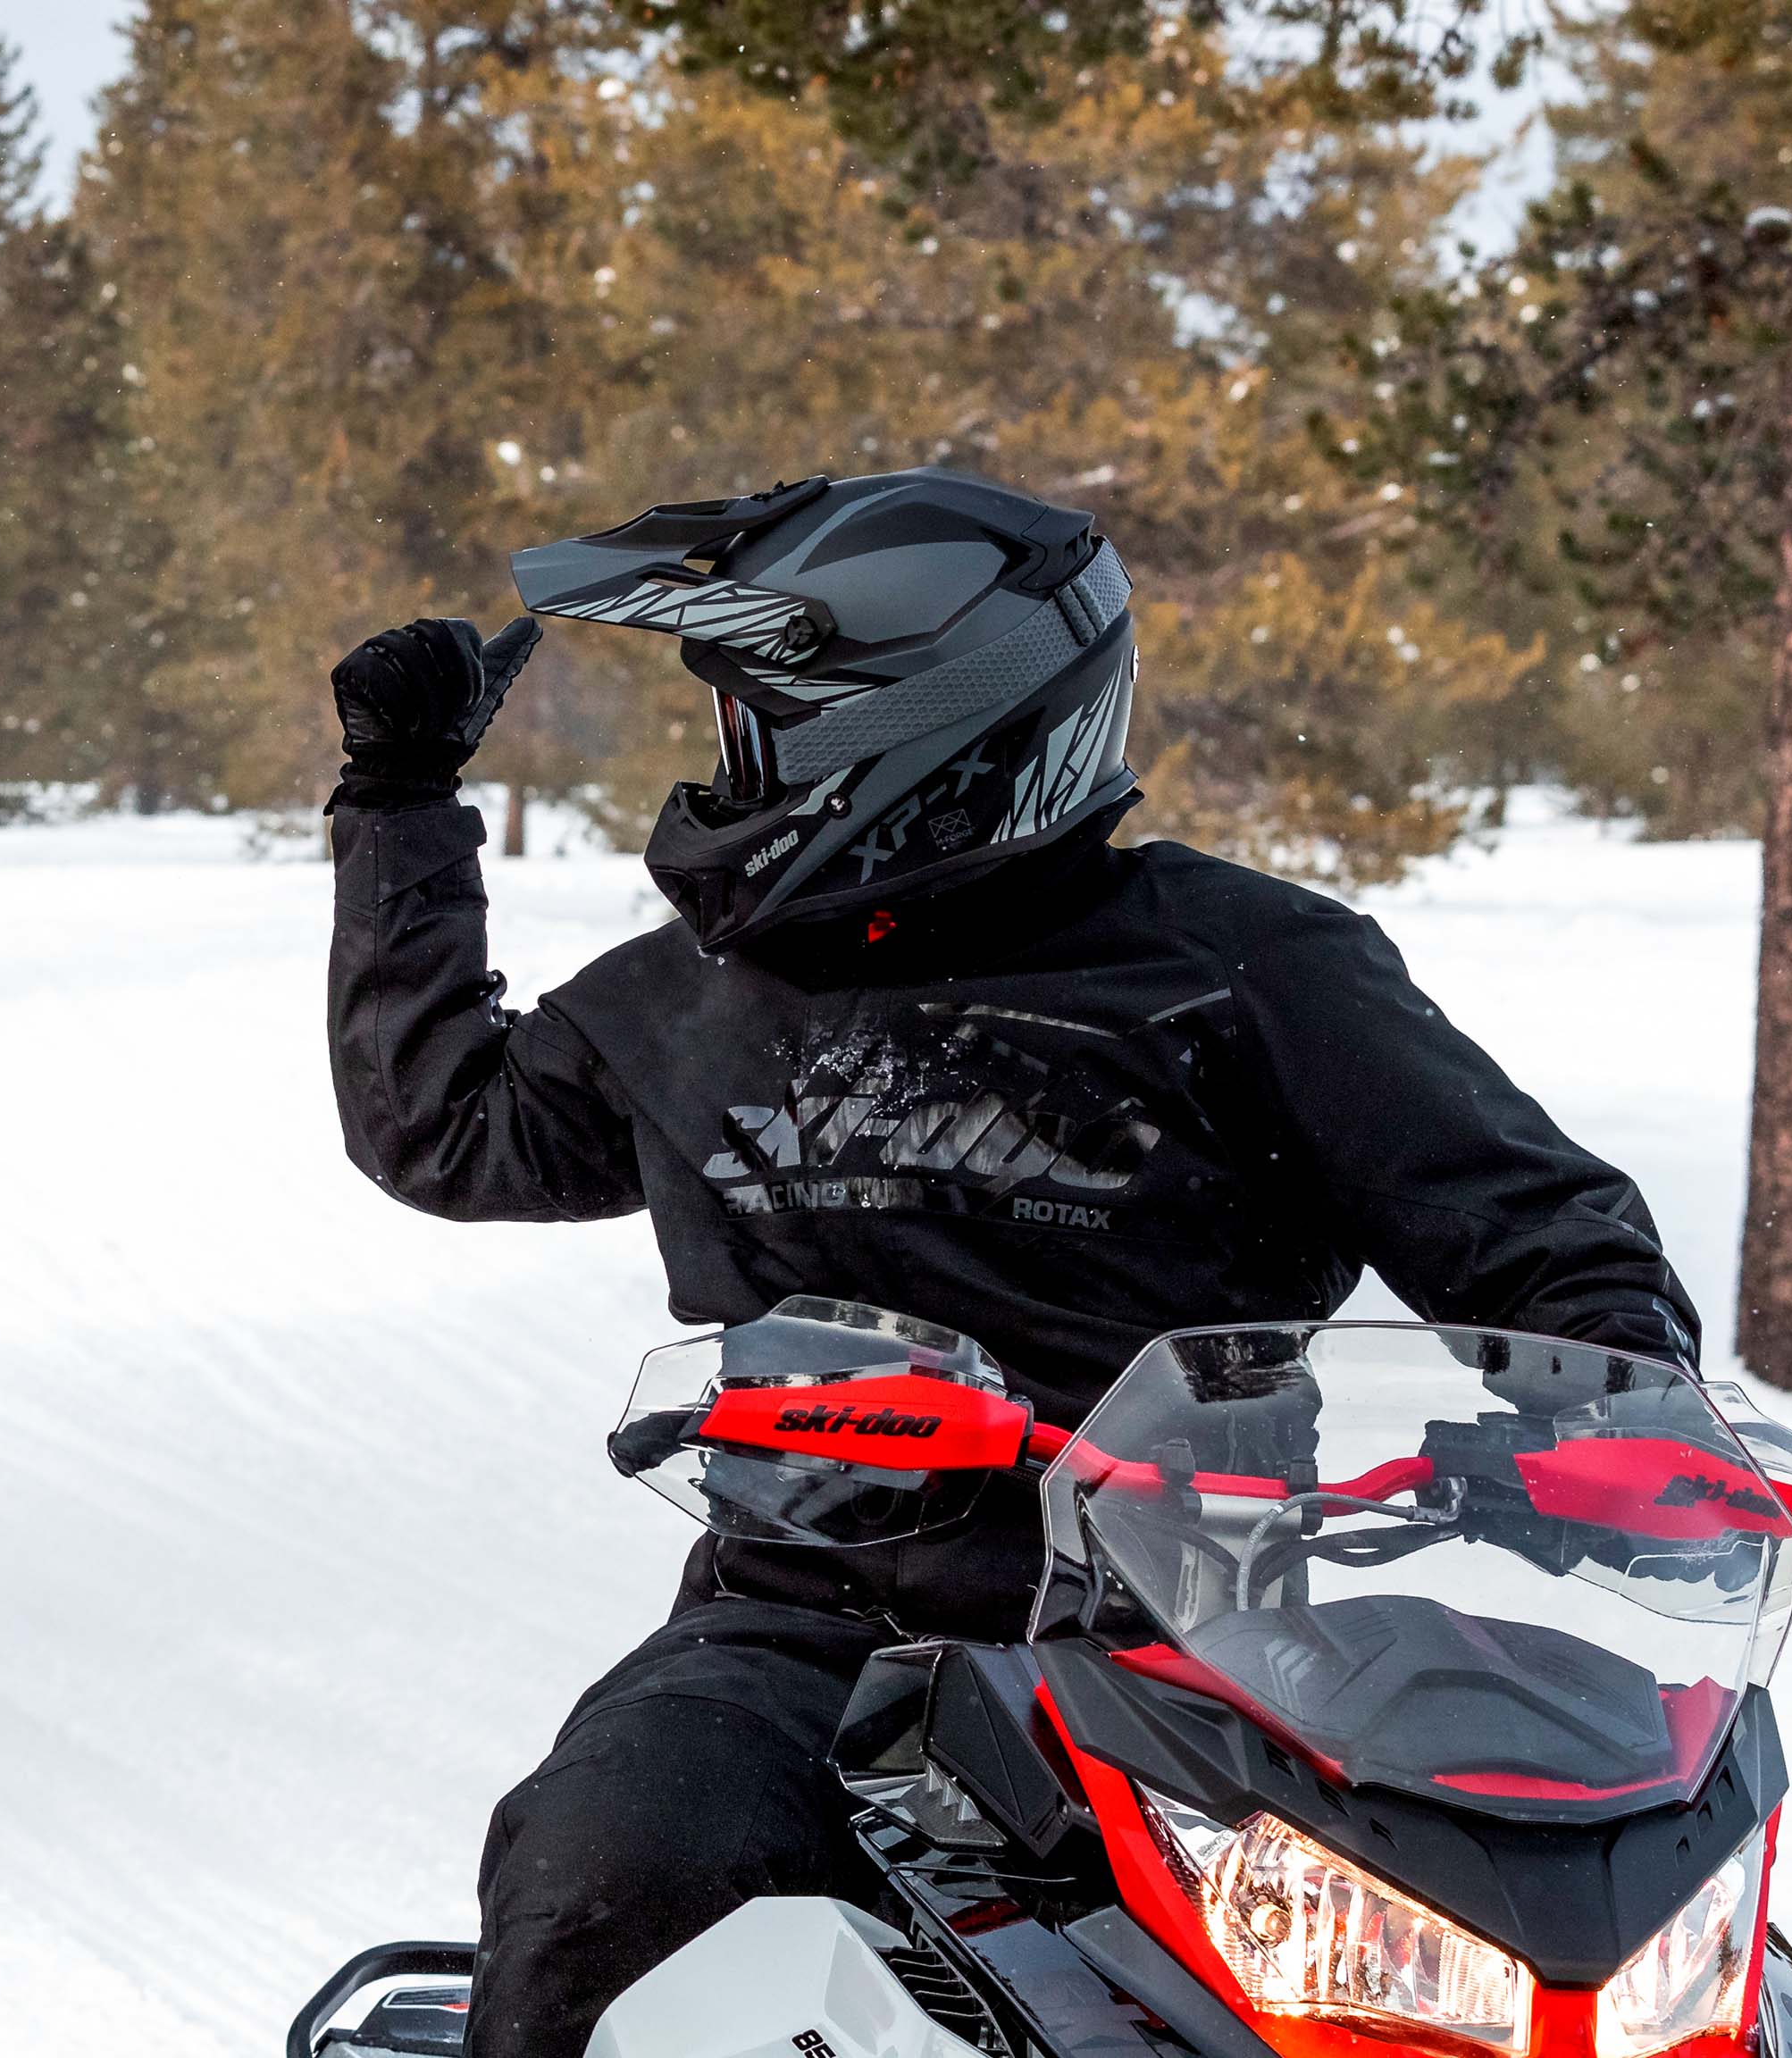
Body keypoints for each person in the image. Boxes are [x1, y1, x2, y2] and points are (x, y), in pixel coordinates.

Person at [322, 468, 1699, 2058]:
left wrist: (1614, 1405)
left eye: (759, 727)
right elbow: (445, 1126)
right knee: (605, 1864)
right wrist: (401, 799)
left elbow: (1532, 1223)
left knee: (1552, 1942)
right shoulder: (690, 996)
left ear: (915, 722)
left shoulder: (1238, 964)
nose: (727, 771)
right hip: (805, 1633)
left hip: (1209, 1642)